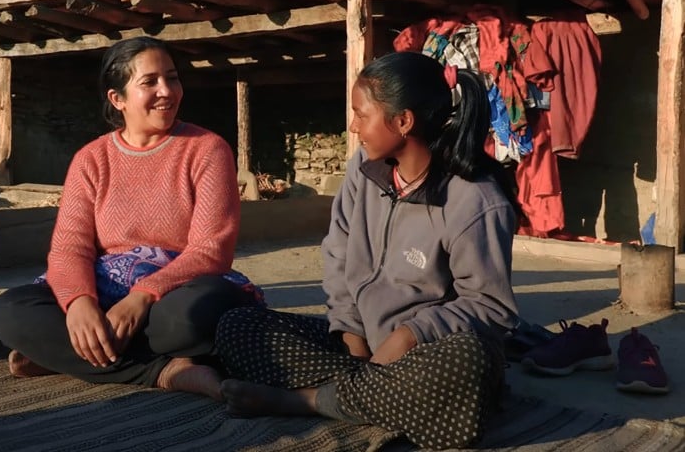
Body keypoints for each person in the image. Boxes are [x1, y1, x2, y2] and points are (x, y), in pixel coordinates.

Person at [213, 52, 520, 450]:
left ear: (404, 121)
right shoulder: (363, 171)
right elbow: (338, 253)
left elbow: (491, 307)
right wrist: (349, 330)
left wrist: (411, 335)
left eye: (361, 114)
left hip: (426, 358)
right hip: (360, 349)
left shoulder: (474, 201)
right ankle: (366, 394)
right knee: (237, 327)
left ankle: (304, 401)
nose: (353, 127)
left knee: (467, 364)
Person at [0, 36, 261, 398]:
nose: (167, 91)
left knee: (189, 319)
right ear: (117, 99)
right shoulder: (92, 159)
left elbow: (213, 250)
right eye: (149, 82)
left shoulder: (207, 149)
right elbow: (70, 247)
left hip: (176, 291)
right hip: (105, 291)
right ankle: (166, 370)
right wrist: (79, 303)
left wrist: (144, 296)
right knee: (9, 310)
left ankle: (67, 356)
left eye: (172, 78)